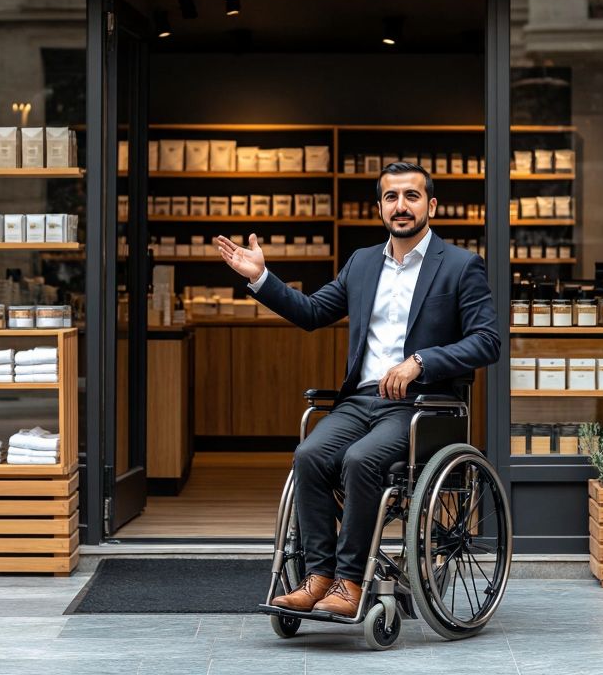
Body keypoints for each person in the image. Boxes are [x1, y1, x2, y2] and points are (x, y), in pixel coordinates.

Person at [213, 161, 500, 618]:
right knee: (309, 456)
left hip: (419, 406)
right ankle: (318, 577)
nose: (400, 206)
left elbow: (487, 341)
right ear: (379, 206)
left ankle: (349, 583)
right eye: (391, 197)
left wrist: (421, 361)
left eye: (411, 195)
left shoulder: (462, 266)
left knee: (360, 460)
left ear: (432, 205)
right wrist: (260, 278)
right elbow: (310, 313)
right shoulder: (363, 263)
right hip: (361, 400)